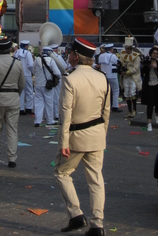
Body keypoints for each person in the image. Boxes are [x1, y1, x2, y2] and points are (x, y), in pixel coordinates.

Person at [54, 37, 110, 236]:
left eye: (70, 53)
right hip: (96, 135)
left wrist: (63, 142)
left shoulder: (71, 78)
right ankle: (98, 224)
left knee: (62, 173)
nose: (69, 56)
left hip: (76, 136)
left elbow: (66, 113)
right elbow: (106, 111)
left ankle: (76, 214)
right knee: (96, 180)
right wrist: (101, 136)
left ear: (76, 56)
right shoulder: (102, 77)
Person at [0, 37, 25, 168]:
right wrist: (15, 93)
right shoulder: (17, 63)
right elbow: (22, 84)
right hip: (13, 98)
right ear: (10, 49)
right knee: (12, 129)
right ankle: (12, 158)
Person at [33, 45, 61, 127]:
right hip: (47, 85)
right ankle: (50, 120)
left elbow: (33, 71)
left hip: (38, 84)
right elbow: (57, 73)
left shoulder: (36, 60)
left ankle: (37, 121)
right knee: (49, 102)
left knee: (38, 103)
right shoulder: (51, 60)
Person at [141, 46, 158, 131]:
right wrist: (145, 66)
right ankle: (149, 123)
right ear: (151, 54)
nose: (155, 55)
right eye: (153, 53)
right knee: (150, 104)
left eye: (156, 53)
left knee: (157, 103)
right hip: (149, 86)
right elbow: (143, 74)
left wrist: (156, 68)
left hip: (157, 85)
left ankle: (157, 115)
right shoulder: (147, 62)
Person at [119, 36, 142, 118]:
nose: (127, 50)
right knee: (127, 93)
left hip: (133, 77)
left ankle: (134, 110)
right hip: (125, 77)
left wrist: (127, 72)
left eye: (128, 48)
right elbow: (121, 64)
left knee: (132, 93)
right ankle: (129, 111)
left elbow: (136, 68)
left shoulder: (136, 56)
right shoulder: (123, 55)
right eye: (126, 48)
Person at [97, 44, 121, 112]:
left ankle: (106, 106)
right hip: (112, 75)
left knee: (106, 91)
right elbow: (118, 63)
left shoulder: (101, 56)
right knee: (115, 90)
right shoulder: (113, 56)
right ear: (111, 49)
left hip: (104, 76)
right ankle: (115, 106)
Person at [14, 40, 34, 115]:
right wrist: (32, 72)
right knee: (29, 91)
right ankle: (29, 108)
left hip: (18, 75)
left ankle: (21, 109)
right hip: (27, 74)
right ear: (26, 46)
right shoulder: (28, 53)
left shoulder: (16, 53)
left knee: (20, 92)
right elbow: (31, 65)